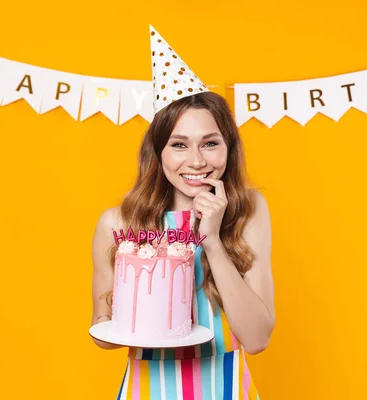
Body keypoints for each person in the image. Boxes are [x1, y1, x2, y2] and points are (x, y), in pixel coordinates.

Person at [90, 25, 275, 399]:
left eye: (210, 143)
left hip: (226, 389)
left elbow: (256, 339)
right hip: (149, 390)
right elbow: (103, 332)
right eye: (178, 144)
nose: (196, 161)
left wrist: (213, 241)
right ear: (158, 153)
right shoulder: (118, 223)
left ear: (228, 148)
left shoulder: (248, 211)